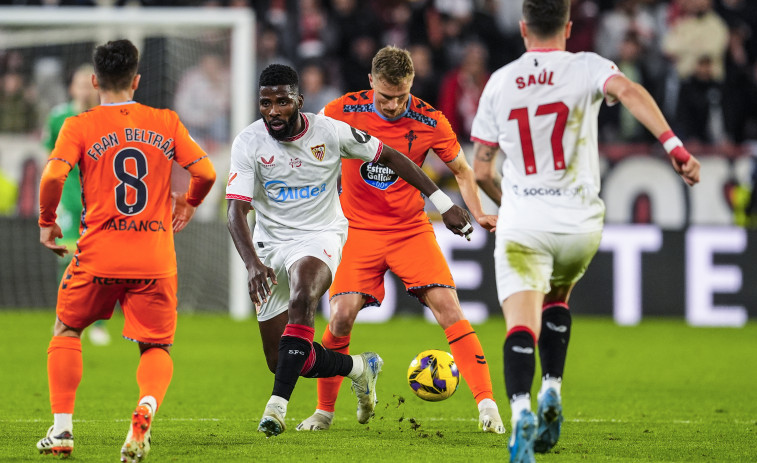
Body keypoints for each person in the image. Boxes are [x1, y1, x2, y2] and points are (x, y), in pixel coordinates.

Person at [470, 1, 701, 462]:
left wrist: (508, 200)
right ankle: (552, 389)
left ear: (522, 28)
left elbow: (480, 171)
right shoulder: (589, 66)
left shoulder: (499, 82)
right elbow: (630, 91)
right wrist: (673, 147)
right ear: (569, 28)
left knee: (521, 322)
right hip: (579, 221)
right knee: (557, 301)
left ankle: (521, 416)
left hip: (525, 222)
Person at [226, 63, 473, 437]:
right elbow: (235, 211)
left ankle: (276, 408)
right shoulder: (248, 142)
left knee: (304, 293)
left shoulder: (330, 131)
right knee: (283, 361)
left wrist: (441, 201)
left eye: (282, 101)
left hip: (320, 235)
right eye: (265, 103)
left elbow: (390, 157)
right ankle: (359, 367)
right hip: (269, 245)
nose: (273, 111)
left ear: (299, 101)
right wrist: (252, 264)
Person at [297, 45, 506, 434]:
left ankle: (488, 406)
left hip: (410, 229)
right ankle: (324, 411)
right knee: (341, 316)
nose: (394, 105)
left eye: (402, 96)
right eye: (386, 96)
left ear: (411, 85)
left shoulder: (429, 118)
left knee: (450, 309)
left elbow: (462, 170)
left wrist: (476, 212)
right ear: (371, 81)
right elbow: (307, 150)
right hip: (356, 228)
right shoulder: (340, 110)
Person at [36, 39, 216, 462]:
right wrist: (189, 201)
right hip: (154, 256)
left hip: (98, 254)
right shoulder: (166, 121)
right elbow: (205, 171)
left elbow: (50, 177)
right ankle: (145, 410)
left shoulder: (78, 125)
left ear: (95, 80)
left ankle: (62, 432)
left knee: (66, 331)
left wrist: (47, 224)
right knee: (155, 347)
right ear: (136, 80)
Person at [41, 63, 111, 346]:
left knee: (103, 263)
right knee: (68, 259)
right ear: (72, 88)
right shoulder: (59, 117)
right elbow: (51, 162)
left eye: (90, 84)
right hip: (69, 201)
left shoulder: (106, 116)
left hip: (101, 201)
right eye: (80, 84)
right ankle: (66, 317)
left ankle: (99, 324)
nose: (85, 89)